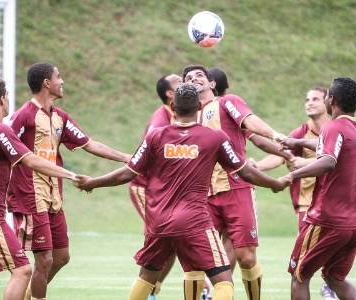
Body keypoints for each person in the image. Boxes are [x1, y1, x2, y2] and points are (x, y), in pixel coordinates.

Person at [74, 82, 290, 300]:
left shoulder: (155, 137)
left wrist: (93, 182)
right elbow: (245, 172)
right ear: (199, 108)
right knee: (223, 280)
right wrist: (275, 184)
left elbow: (127, 173)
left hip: (158, 223)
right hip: (194, 222)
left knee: (147, 277)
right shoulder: (214, 138)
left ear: (173, 107)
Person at [7, 62, 131, 300]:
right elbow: (5, 150)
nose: (62, 81)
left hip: (54, 195)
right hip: (30, 195)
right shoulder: (23, 116)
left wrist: (127, 157)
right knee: (44, 259)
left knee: (61, 257)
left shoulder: (60, 117)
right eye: (58, 77)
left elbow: (89, 143)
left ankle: (28, 296)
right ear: (47, 83)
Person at [0, 76, 80, 300]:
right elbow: (29, 160)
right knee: (22, 271)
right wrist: (69, 174)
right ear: (2, 99)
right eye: (8, 96)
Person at [183, 65, 291, 300]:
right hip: (203, 196)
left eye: (199, 76)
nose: (194, 79)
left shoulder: (225, 103)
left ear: (212, 84)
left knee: (246, 257)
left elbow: (250, 123)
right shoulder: (187, 119)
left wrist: (277, 137)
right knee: (196, 260)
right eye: (189, 78)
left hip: (237, 188)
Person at [280, 77, 356, 300]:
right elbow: (328, 146)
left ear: (332, 100)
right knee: (334, 278)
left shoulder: (332, 126)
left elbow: (328, 160)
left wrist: (292, 175)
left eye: (326, 96)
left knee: (299, 274)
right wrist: (298, 143)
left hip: (328, 221)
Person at [253, 86, 336, 299]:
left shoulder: (335, 131)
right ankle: (327, 285)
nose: (309, 102)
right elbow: (280, 156)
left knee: (332, 247)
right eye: (307, 99)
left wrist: (304, 162)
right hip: (308, 204)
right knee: (307, 254)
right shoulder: (299, 134)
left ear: (327, 102)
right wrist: (258, 167)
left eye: (315, 99)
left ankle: (330, 283)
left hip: (335, 203)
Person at [128, 73, 182, 299]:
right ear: (170, 93)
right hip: (146, 187)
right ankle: (146, 290)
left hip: (168, 191)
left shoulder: (181, 114)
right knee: (159, 241)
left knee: (172, 242)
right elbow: (145, 158)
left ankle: (152, 289)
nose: (185, 82)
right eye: (179, 82)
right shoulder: (160, 121)